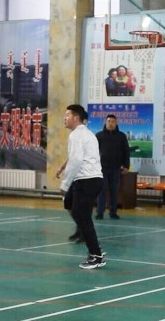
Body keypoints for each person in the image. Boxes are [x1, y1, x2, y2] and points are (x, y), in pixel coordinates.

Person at [58, 104, 106, 270]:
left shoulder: (77, 135)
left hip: (87, 180)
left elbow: (76, 160)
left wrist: (65, 184)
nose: (65, 118)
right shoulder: (86, 134)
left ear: (76, 118)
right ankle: (89, 239)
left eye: (67, 115)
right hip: (90, 180)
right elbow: (76, 158)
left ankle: (96, 255)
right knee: (69, 203)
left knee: (83, 217)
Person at [95, 113, 131, 221]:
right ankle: (100, 212)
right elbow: (93, 152)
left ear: (116, 123)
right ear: (105, 123)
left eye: (113, 122)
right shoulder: (99, 136)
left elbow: (126, 152)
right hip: (101, 168)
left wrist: (126, 166)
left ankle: (113, 212)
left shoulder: (121, 136)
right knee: (101, 190)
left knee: (114, 191)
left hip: (116, 168)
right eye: (108, 121)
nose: (110, 123)